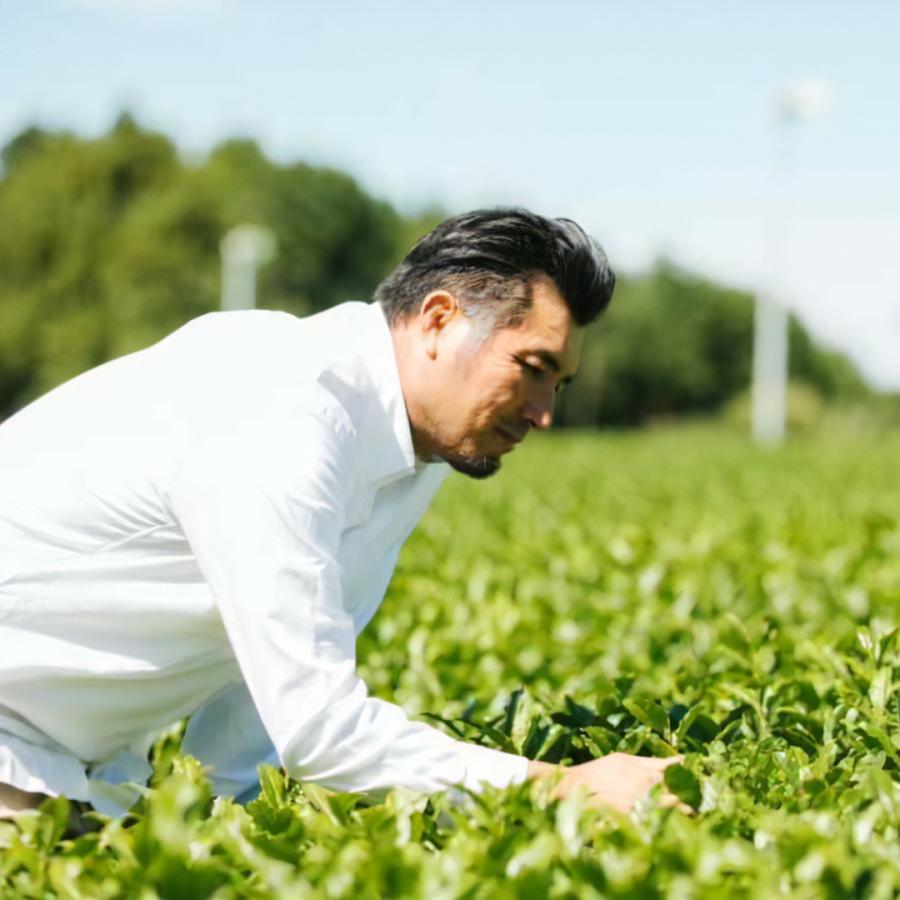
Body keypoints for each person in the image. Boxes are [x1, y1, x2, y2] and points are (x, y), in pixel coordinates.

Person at [0, 208, 684, 822]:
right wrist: (557, 786)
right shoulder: (282, 414)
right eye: (532, 367)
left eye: (557, 384)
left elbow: (250, 726)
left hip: (73, 766)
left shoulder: (416, 448)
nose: (544, 414)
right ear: (440, 320)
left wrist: (234, 827)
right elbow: (318, 726)